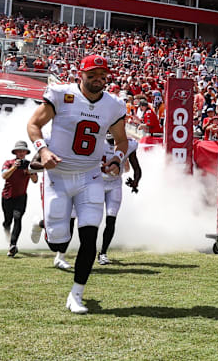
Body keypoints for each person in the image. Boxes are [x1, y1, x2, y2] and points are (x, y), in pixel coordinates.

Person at [26, 54, 129, 314]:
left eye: (102, 75)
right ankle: (44, 226)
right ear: (80, 74)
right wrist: (43, 150)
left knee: (89, 237)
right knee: (59, 240)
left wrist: (117, 159)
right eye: (92, 74)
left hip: (90, 176)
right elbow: (34, 124)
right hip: (58, 176)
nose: (97, 80)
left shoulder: (114, 105)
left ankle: (76, 294)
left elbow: (122, 141)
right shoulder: (62, 94)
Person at [97, 134, 141, 265]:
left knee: (111, 219)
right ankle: (87, 249)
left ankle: (103, 253)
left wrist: (136, 181)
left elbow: (136, 167)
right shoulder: (97, 140)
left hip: (114, 184)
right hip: (96, 183)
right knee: (93, 219)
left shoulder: (128, 144)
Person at [1, 140, 38, 257]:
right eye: (19, 151)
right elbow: (4, 175)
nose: (21, 153)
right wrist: (14, 167)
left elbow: (35, 180)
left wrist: (29, 171)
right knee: (8, 221)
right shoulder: (8, 163)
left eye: (24, 151)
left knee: (17, 218)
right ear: (15, 152)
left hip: (21, 197)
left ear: (26, 152)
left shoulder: (30, 164)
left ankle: (12, 245)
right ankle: (7, 235)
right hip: (7, 196)